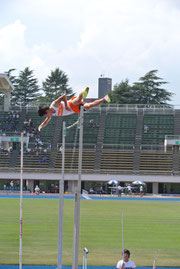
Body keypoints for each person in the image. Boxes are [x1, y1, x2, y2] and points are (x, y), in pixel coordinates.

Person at [38, 87, 111, 131]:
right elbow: (45, 122)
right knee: (89, 106)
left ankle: (84, 92)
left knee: (78, 99)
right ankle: (104, 98)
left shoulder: (54, 104)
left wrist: (66, 106)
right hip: (75, 110)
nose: (47, 117)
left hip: (71, 104)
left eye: (45, 115)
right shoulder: (50, 115)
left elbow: (63, 96)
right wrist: (40, 127)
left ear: (47, 111)